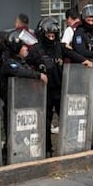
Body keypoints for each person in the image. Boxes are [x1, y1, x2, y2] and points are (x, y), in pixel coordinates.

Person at [30, 17, 64, 155]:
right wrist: (37, 73)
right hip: (44, 90)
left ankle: (68, 144)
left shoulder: (58, 47)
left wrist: (85, 59)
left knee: (65, 116)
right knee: (46, 119)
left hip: (59, 87)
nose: (51, 38)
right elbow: (25, 62)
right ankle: (47, 148)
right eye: (48, 35)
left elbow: (73, 54)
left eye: (53, 35)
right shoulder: (36, 49)